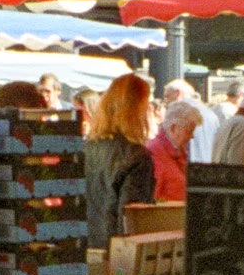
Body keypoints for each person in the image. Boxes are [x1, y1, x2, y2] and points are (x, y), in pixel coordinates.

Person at [82, 73, 155, 247]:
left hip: (80, 252)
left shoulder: (83, 149)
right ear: (138, 110)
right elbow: (130, 221)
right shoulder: (136, 157)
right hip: (115, 255)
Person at [148, 97, 201, 200]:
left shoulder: (178, 152)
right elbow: (151, 202)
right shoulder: (154, 154)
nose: (192, 136)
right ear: (173, 128)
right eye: (188, 131)